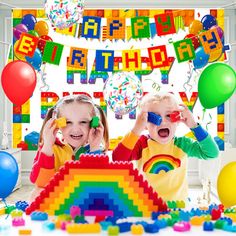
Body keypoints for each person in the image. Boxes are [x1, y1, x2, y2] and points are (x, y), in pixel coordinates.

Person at [112, 92, 219, 201]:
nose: (162, 121)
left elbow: (212, 153)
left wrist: (194, 125)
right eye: (154, 117)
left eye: (169, 115)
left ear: (177, 121)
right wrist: (136, 129)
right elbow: (117, 159)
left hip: (178, 207)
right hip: (146, 206)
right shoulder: (141, 144)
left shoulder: (182, 144)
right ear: (145, 125)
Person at [30, 94, 109, 190]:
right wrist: (47, 146)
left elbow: (100, 186)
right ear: (58, 123)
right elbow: (40, 182)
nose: (75, 129)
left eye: (83, 122)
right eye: (68, 122)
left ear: (94, 123)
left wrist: (94, 148)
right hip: (58, 201)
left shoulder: (97, 151)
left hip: (85, 201)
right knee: (36, 193)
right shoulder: (51, 149)